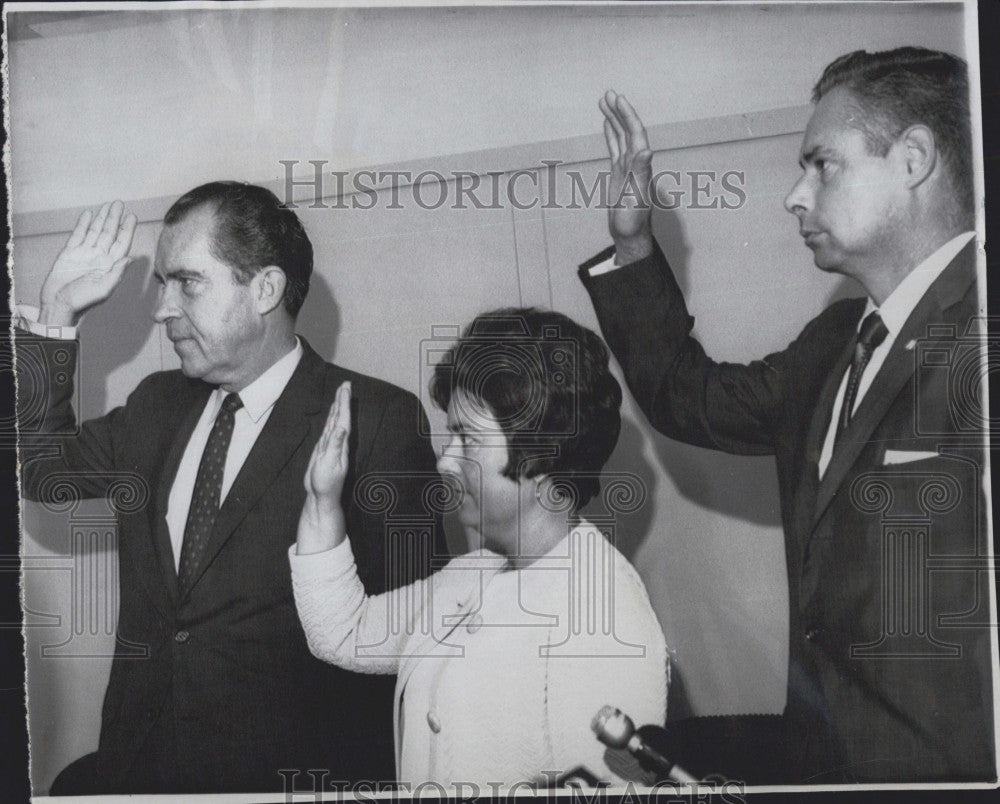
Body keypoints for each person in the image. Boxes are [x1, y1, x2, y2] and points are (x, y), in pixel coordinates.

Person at [578, 48, 993, 783]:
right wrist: (633, 239)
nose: (795, 197)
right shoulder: (835, 342)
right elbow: (687, 396)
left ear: (915, 158)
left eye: (822, 165)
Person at [16, 183, 447, 793]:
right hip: (142, 772)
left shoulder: (373, 419)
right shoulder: (155, 405)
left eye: (186, 282)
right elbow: (42, 472)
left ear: (265, 289)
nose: (162, 309)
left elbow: (418, 632)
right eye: (163, 283)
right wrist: (56, 314)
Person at [289, 308, 668, 788]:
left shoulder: (604, 607)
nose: (446, 459)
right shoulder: (472, 574)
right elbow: (342, 631)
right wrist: (323, 501)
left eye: (467, 438)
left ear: (539, 451)